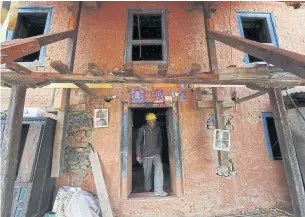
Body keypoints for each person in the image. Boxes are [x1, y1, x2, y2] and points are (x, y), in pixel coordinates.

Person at [136, 113, 168, 197]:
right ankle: (147, 189)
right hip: (145, 154)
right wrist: (138, 155)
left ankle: (159, 190)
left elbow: (160, 141)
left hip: (156, 153)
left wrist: (159, 150)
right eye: (149, 121)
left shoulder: (157, 129)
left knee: (159, 170)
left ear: (155, 120)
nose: (151, 122)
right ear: (147, 121)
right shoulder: (142, 129)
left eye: (153, 121)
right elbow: (138, 143)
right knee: (147, 173)